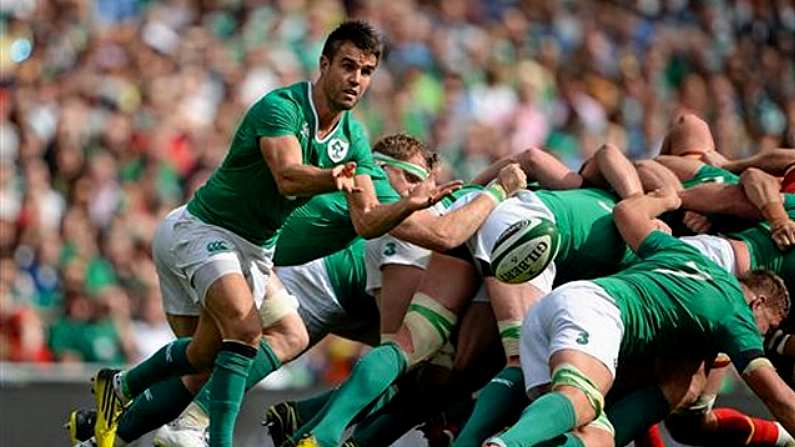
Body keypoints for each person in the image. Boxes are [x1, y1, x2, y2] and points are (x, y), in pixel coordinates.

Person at [83, 21, 466, 447]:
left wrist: (406, 205)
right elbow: (287, 176)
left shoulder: (353, 137)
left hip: (255, 251)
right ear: (324, 63)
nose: (356, 79)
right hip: (207, 230)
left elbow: (366, 222)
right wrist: (332, 177)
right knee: (242, 335)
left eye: (366, 71)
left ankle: (119, 391)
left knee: (213, 355)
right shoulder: (282, 107)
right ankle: (204, 436)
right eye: (348, 66)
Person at [484, 189, 794, 447]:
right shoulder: (737, 313)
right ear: (758, 303)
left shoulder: (690, 256)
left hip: (560, 304)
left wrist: (666, 198)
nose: (762, 336)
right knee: (580, 398)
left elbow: (628, 213)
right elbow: (776, 395)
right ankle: (505, 445)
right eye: (768, 326)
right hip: (598, 312)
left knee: (597, 437)